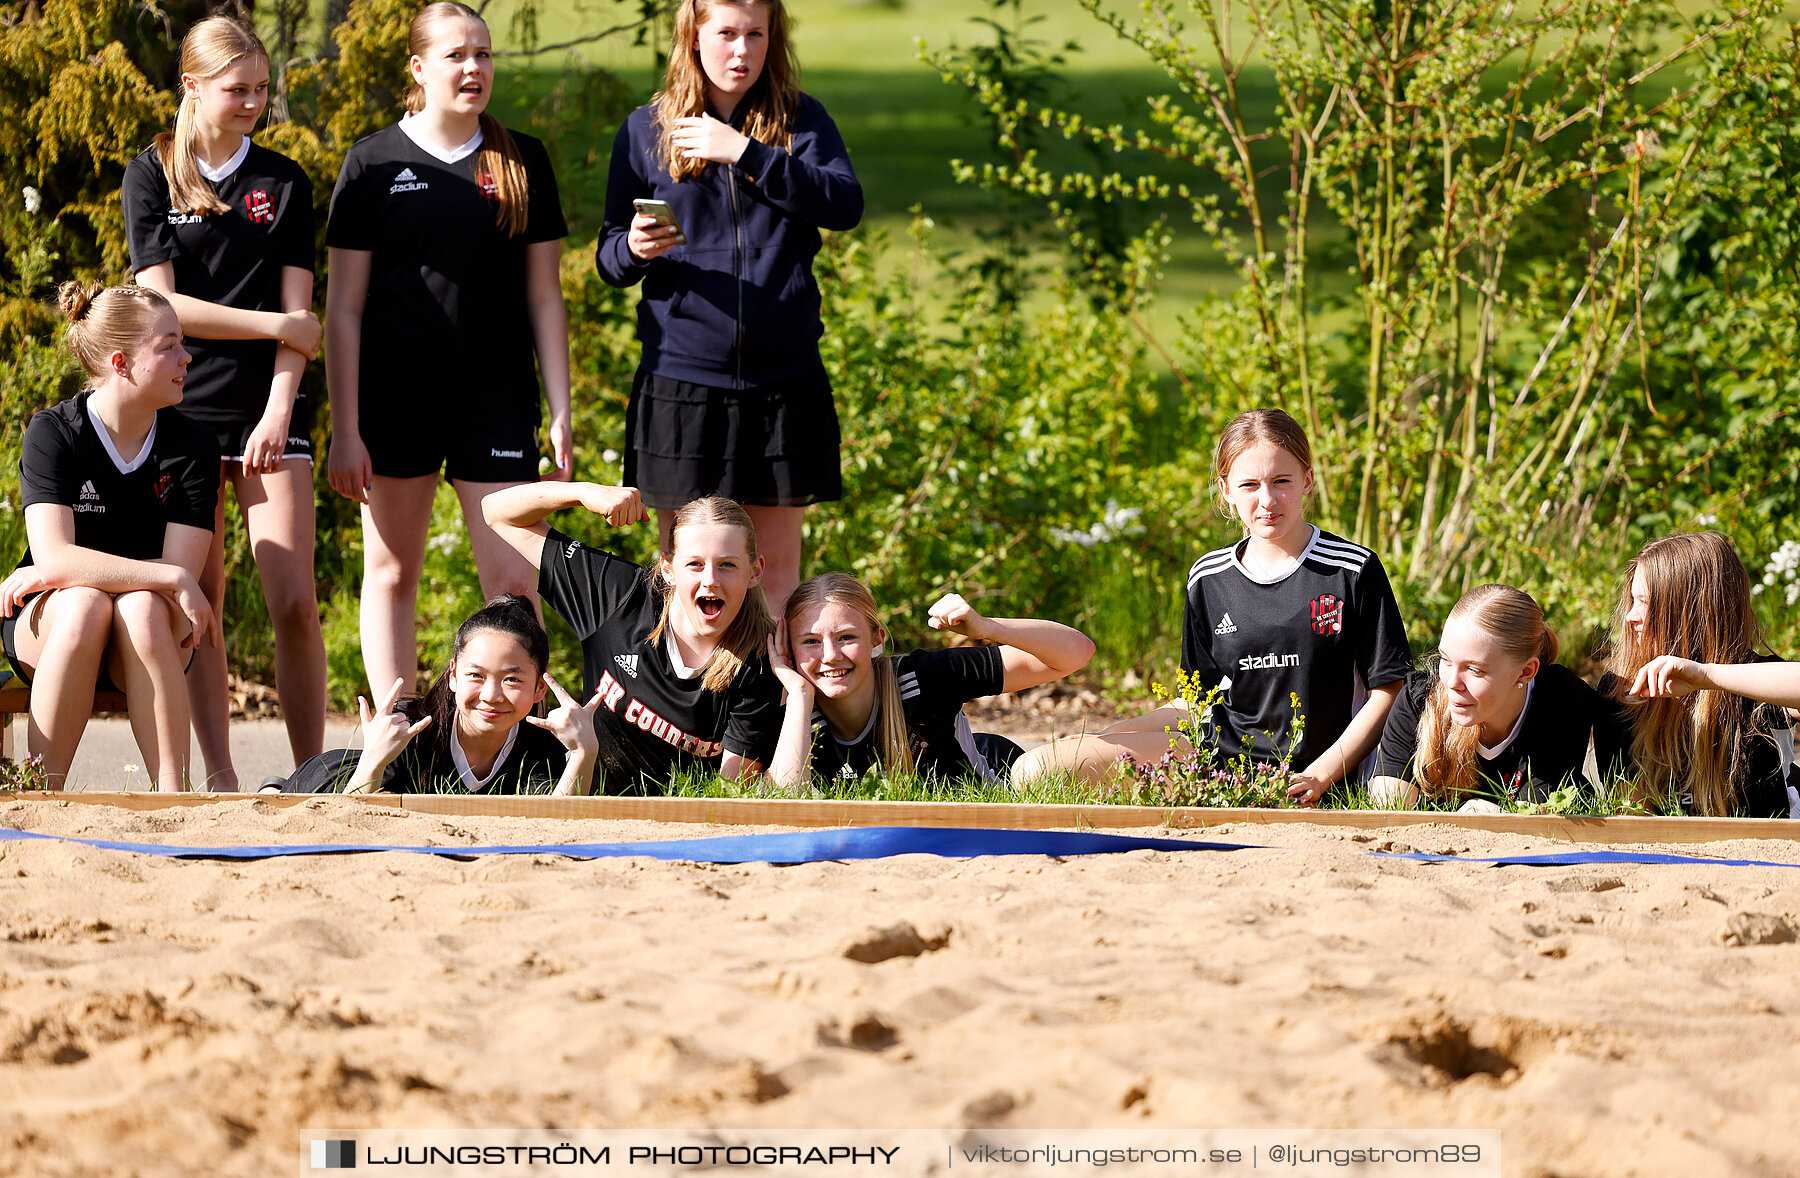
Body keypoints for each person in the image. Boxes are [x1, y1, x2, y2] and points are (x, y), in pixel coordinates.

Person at [325, 1, 573, 698]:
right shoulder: (372, 164)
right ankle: (396, 733)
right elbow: (341, 309)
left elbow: (544, 296)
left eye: (485, 54)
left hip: (496, 406)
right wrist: (346, 429)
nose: (474, 68)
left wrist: (560, 407)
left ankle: (514, 742)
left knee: (513, 582)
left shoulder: (522, 159)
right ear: (418, 67)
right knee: (392, 574)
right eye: (457, 55)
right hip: (394, 405)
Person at [596, 0, 863, 612]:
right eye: (726, 34)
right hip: (683, 378)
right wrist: (634, 248)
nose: (741, 51)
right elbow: (608, 259)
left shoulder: (801, 121)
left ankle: (772, 708)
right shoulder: (646, 129)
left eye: (756, 35)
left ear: (774, 38)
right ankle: (682, 707)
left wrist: (745, 152)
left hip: (783, 378)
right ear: (693, 36)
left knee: (774, 575)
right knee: (684, 575)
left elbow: (844, 204)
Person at [121, 14, 325, 791]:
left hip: (270, 410)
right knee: (199, 600)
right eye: (237, 89)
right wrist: (277, 324)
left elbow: (302, 323)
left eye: (262, 89)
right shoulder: (153, 174)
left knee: (295, 601)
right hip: (184, 416)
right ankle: (222, 777)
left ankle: (313, 775)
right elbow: (158, 305)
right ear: (193, 86)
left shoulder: (286, 181)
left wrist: (279, 411)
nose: (252, 102)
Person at [1011, 409, 1412, 803]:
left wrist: (1322, 774)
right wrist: (1114, 734)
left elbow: (1389, 689)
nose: (1268, 500)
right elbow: (1196, 700)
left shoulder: (1352, 570)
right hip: (1217, 768)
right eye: (1250, 485)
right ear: (1226, 490)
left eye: (1282, 481)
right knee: (1035, 769)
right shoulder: (1208, 578)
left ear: (1308, 480)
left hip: (1316, 776)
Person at [0, 283, 220, 792]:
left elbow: (167, 599)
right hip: (55, 626)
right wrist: (169, 575)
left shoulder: (193, 447)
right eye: (168, 346)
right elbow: (57, 560)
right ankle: (37, 793)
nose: (187, 358)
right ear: (121, 363)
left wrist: (72, 567)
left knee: (139, 608)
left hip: (146, 634)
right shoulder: (53, 432)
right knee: (84, 605)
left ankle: (174, 798)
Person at [483, 485, 784, 793]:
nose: (710, 579)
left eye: (727, 565)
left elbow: (731, 793)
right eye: (695, 564)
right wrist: (583, 494)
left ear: (754, 571)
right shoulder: (620, 595)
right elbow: (496, 511)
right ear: (668, 569)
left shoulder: (760, 661)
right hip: (586, 805)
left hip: (679, 828)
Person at [764, 573, 1094, 790]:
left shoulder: (922, 678)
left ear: (877, 639)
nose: (831, 655)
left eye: (846, 637)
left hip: (1005, 775)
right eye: (809, 642)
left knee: (1042, 770)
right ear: (789, 652)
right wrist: (800, 695)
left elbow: (1076, 652)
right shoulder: (795, 711)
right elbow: (783, 801)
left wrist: (989, 628)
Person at [264, 595, 600, 795]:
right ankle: (275, 786)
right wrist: (373, 758)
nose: (491, 695)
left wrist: (585, 751)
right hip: (334, 782)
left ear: (540, 687)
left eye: (512, 680)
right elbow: (348, 823)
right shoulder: (410, 731)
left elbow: (557, 829)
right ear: (453, 674)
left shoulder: (542, 748)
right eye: (475, 675)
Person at [1595, 531, 1800, 819]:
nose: (1631, 616)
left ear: (1689, 611)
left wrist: (1705, 676)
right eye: (1632, 601)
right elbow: (1632, 815)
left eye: (1644, 602)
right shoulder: (1622, 689)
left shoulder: (1757, 683)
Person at [1367, 584, 1604, 811]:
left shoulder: (1563, 701)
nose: (1451, 683)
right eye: (1445, 660)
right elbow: (1388, 807)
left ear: (1526, 671)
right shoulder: (1419, 699)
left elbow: (1535, 814)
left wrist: (1495, 817)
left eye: (1474, 670)